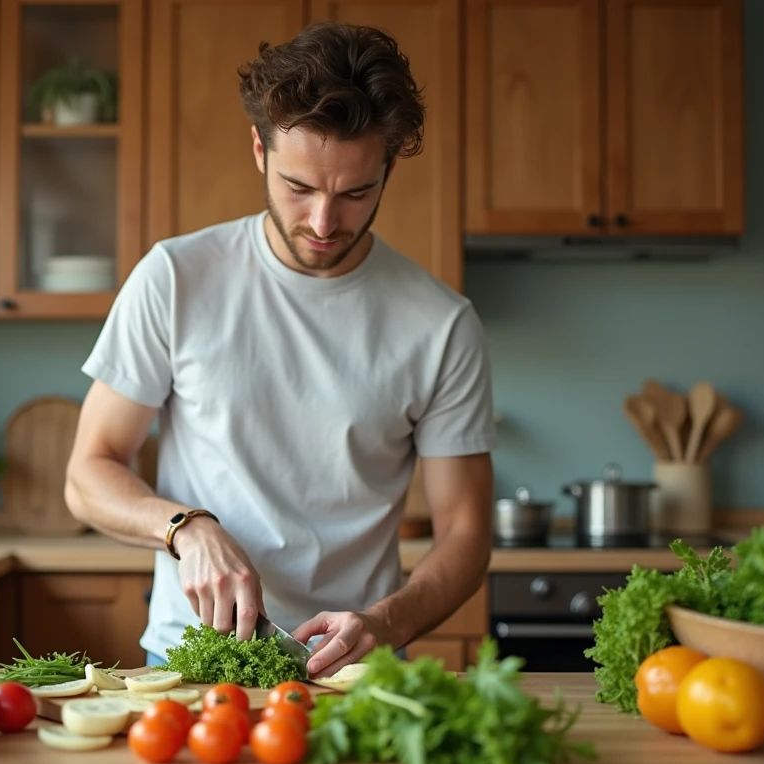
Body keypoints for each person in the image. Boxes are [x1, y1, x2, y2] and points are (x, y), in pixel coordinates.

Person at [65, 21, 495, 680]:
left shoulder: (441, 324)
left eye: (355, 194)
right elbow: (88, 473)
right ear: (260, 151)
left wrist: (388, 621)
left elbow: (465, 535)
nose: (325, 223)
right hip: (194, 657)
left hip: (354, 666)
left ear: (388, 169)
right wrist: (185, 526)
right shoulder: (177, 278)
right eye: (301, 188)